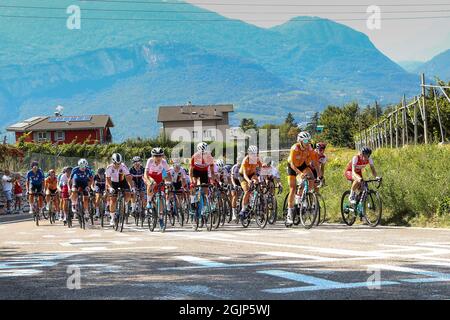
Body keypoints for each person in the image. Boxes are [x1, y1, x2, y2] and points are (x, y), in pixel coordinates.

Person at [286, 132, 322, 225]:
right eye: (305, 140)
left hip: (302, 165)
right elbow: (292, 164)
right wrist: (300, 173)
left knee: (312, 178)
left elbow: (316, 163)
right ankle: (289, 214)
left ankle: (304, 195)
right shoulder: (295, 148)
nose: (307, 142)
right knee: (293, 188)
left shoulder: (309, 148)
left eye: (309, 140)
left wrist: (320, 175)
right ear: (300, 141)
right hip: (292, 167)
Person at [143, 148, 171, 229]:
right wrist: (149, 182)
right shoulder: (150, 161)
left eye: (160, 156)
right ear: (153, 156)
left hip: (160, 175)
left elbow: (167, 174)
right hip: (150, 176)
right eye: (156, 156)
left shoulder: (164, 162)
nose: (158, 158)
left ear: (162, 156)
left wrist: (168, 182)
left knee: (161, 194)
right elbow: (146, 174)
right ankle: (149, 202)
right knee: (152, 183)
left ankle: (161, 218)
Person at [106, 153, 135, 226]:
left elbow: (128, 177)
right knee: (113, 199)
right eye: (116, 163)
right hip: (113, 183)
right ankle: (112, 218)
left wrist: (132, 187)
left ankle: (124, 204)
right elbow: (108, 180)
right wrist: (110, 187)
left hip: (122, 181)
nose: (118, 165)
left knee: (128, 194)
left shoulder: (123, 166)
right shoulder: (109, 168)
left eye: (119, 163)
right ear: (113, 162)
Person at [189, 142, 215, 211]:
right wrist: (191, 180)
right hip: (196, 171)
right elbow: (190, 171)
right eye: (201, 153)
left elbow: (212, 172)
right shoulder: (194, 157)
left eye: (205, 153)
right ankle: (192, 200)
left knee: (205, 190)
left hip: (204, 172)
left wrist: (213, 180)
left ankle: (205, 206)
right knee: (194, 184)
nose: (203, 155)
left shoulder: (210, 158)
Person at [239, 145, 262, 218]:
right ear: (248, 154)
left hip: (252, 174)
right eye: (252, 154)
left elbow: (262, 169)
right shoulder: (245, 160)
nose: (254, 156)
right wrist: (249, 181)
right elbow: (245, 174)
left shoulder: (258, 159)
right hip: (243, 176)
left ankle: (257, 200)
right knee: (247, 190)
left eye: (255, 154)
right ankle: (243, 209)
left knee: (258, 183)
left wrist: (263, 178)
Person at [230, 154, 244, 222]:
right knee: (234, 195)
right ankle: (233, 214)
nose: (239, 163)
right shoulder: (234, 167)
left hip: (241, 181)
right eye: (238, 161)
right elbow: (232, 178)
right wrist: (234, 185)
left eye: (241, 161)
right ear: (236, 161)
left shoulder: (244, 167)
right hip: (235, 181)